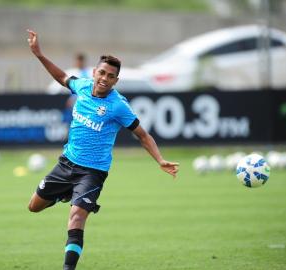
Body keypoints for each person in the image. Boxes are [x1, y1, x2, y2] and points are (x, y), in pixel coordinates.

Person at [26, 29, 179, 270]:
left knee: (76, 216)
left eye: (110, 76)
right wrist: (39, 55)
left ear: (116, 81)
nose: (104, 78)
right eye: (102, 73)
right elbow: (62, 77)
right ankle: (63, 193)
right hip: (66, 163)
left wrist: (160, 160)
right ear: (95, 72)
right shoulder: (83, 87)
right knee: (33, 207)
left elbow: (143, 135)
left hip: (92, 172)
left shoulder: (118, 106)